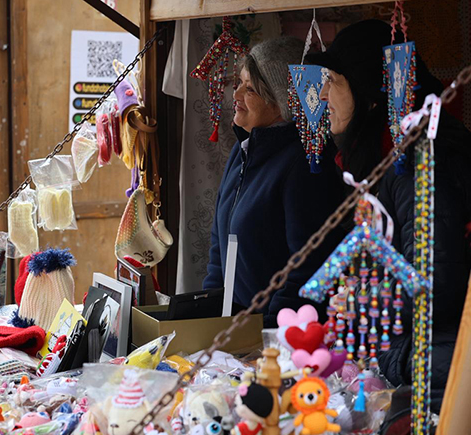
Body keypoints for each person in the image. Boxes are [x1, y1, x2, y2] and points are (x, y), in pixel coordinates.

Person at [310, 19, 471, 410]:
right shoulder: (383, 162)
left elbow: (436, 287)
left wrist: (364, 303)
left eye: (334, 80)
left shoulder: (416, 164)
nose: (323, 94)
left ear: (368, 94)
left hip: (442, 372)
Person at [202, 37, 345, 328]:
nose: (237, 94)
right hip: (236, 324)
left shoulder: (304, 164)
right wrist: (209, 313)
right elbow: (221, 247)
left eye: (250, 88)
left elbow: (308, 265)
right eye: (239, 83)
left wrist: (269, 332)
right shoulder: (242, 152)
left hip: (277, 331)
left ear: (280, 103)